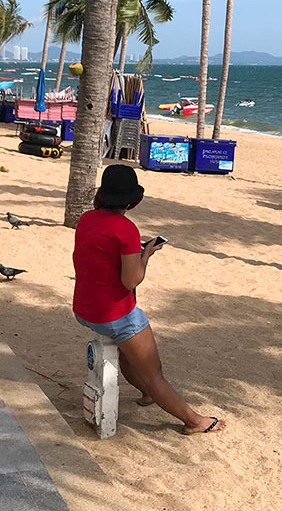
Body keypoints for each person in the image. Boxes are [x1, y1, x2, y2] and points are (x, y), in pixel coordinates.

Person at [72, 165, 225, 436]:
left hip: (85, 309)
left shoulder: (86, 219)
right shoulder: (126, 228)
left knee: (131, 357)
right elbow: (131, 281)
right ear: (132, 199)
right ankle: (193, 421)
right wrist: (145, 255)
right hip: (115, 314)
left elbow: (103, 257)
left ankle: (146, 393)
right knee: (154, 373)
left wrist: (135, 251)